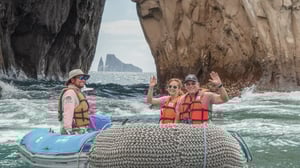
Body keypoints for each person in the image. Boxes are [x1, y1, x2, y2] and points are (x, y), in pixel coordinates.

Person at [58, 69, 91, 134]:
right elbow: (68, 112)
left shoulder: (78, 92)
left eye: (85, 78)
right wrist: (68, 130)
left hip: (80, 130)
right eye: (80, 78)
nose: (83, 80)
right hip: (73, 131)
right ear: (72, 80)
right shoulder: (70, 93)